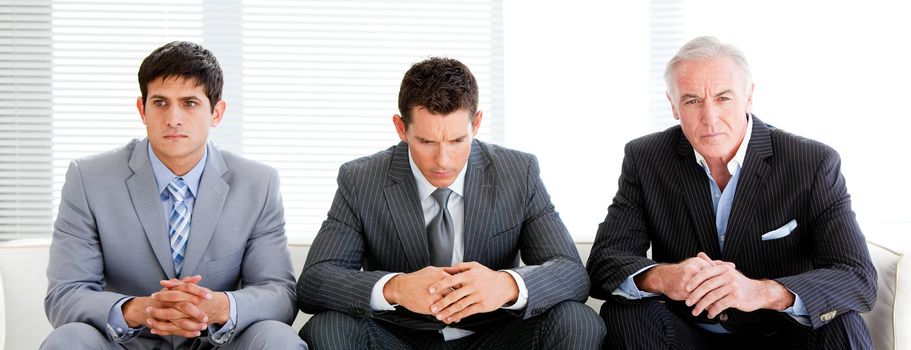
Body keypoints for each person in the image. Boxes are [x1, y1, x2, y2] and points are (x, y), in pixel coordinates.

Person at [587, 36, 877, 349]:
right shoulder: (646, 158)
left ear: (748, 97)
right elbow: (604, 263)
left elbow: (857, 277)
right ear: (673, 105)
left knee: (843, 322)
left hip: (780, 333)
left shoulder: (812, 162)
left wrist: (762, 292)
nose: (710, 118)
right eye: (692, 100)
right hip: (686, 336)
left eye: (723, 98)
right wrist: (663, 277)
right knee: (624, 315)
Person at [296, 57, 605, 349]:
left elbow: (572, 273)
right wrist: (396, 289)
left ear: (477, 124)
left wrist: (507, 285)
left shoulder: (517, 172)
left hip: (494, 333)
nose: (442, 160)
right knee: (327, 327)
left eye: (457, 141)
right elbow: (314, 282)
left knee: (578, 322)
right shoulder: (361, 178)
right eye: (426, 142)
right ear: (401, 128)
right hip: (399, 336)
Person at [41, 41, 307, 350]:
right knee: (68, 340)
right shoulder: (88, 179)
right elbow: (65, 294)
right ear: (142, 109)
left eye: (190, 103)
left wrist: (219, 306)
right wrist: (137, 309)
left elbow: (279, 293)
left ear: (217, 112)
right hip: (128, 343)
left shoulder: (258, 183)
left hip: (218, 342)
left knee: (278, 340)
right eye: (160, 103)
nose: (173, 118)